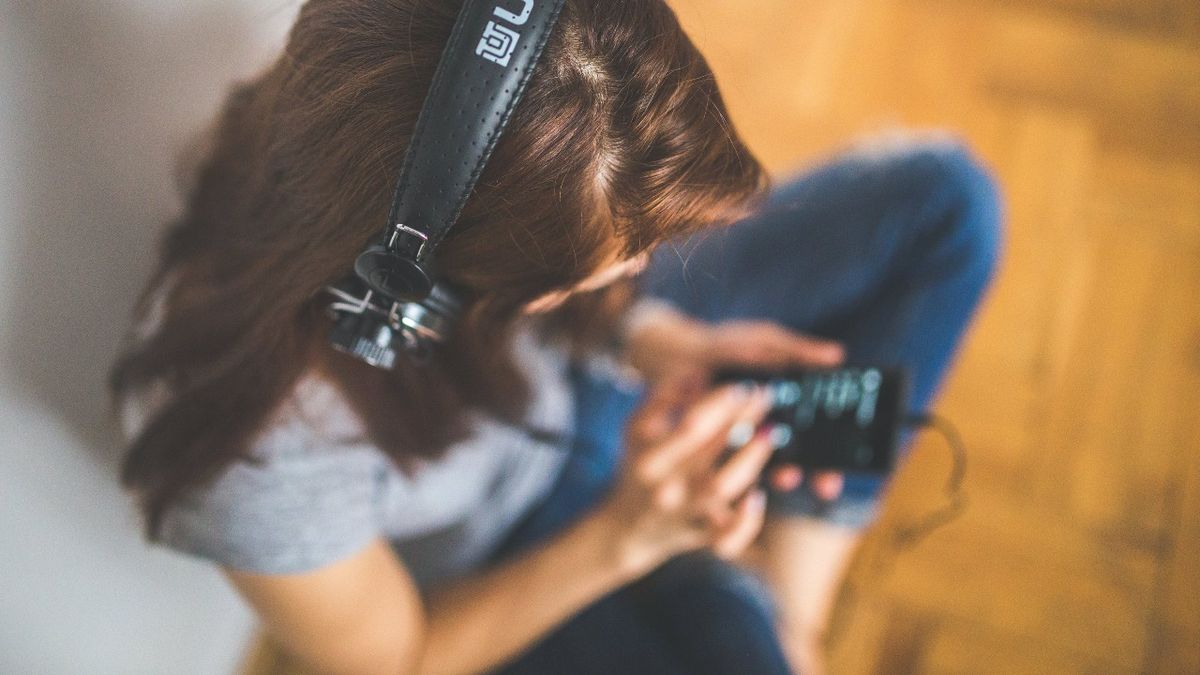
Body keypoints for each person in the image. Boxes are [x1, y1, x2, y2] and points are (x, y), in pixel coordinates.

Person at [110, 1, 1001, 674]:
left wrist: (649, 335)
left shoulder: (383, 110)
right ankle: (740, 599)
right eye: (618, 260)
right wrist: (628, 535)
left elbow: (598, 277)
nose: (643, 267)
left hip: (591, 380)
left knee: (945, 205)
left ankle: (790, 604)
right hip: (527, 556)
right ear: (413, 297)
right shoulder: (244, 456)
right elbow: (405, 658)